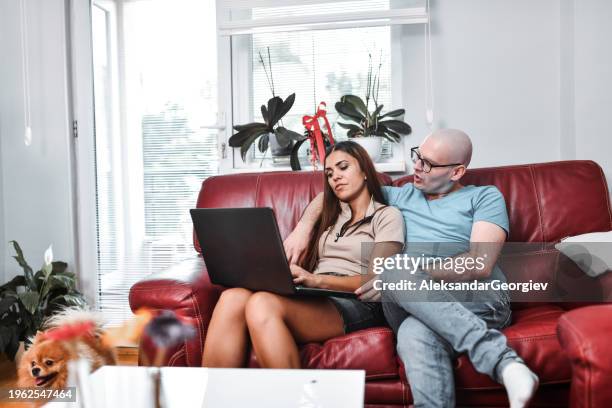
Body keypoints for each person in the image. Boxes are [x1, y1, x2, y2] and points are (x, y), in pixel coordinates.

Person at [284, 129, 539, 408]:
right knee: (396, 273)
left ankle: (500, 365)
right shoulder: (400, 196)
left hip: (476, 297)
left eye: (427, 163)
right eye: (417, 156)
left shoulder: (484, 197)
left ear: (457, 172)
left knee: (412, 330)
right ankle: (507, 366)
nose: (416, 167)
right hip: (408, 299)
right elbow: (335, 191)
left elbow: (479, 262)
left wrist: (405, 277)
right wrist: (303, 227)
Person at [201, 141, 405, 369]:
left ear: (365, 171)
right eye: (329, 173)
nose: (335, 176)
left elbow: (375, 281)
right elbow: (321, 200)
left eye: (343, 167)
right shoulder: (331, 214)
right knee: (233, 297)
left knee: (261, 304)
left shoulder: (386, 216)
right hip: (316, 293)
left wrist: (316, 280)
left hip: (358, 301)